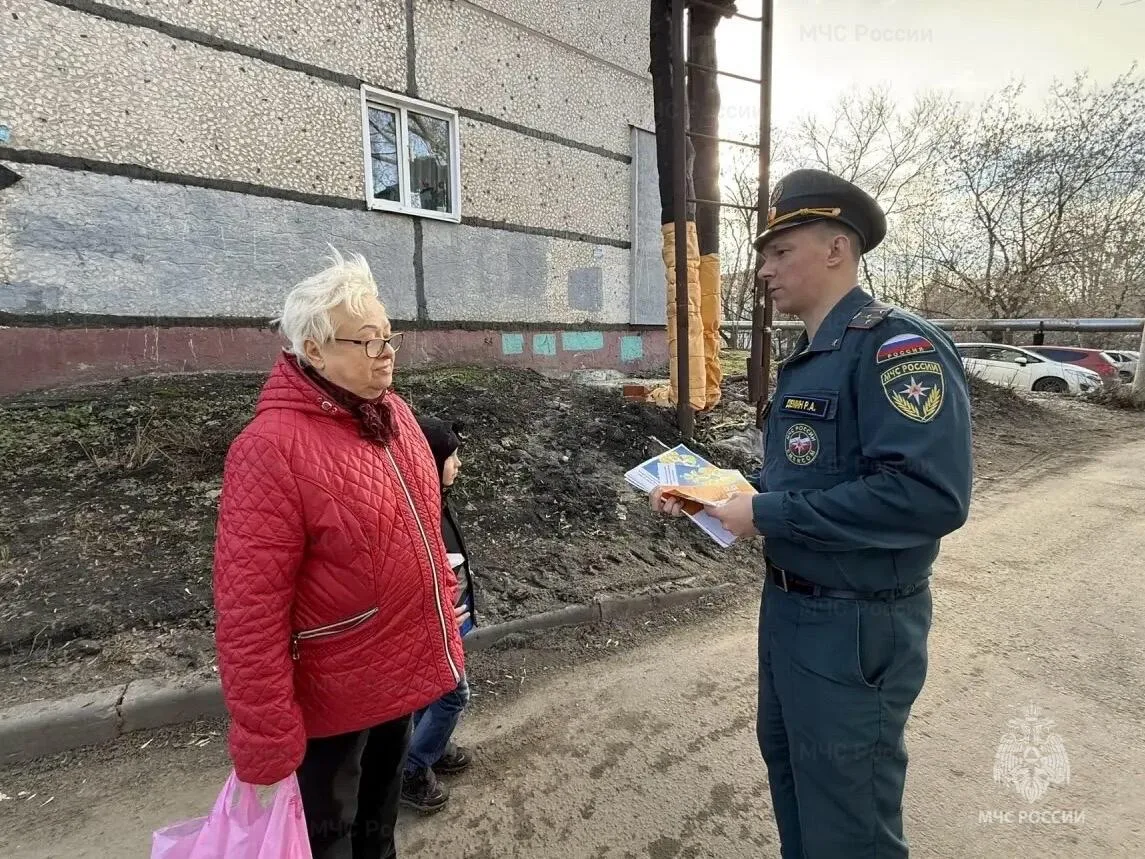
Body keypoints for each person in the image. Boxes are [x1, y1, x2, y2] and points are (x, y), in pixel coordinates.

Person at [652, 169, 973, 858]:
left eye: (780, 251)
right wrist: (712, 494)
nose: (763, 269)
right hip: (792, 610)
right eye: (763, 255)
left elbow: (927, 496)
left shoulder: (895, 347)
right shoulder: (812, 356)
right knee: (795, 778)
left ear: (835, 249)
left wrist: (766, 511)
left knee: (847, 820)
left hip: (855, 621)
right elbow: (806, 477)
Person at [212, 249, 465, 859]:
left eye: (389, 337)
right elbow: (248, 608)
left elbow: (419, 529)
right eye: (368, 340)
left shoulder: (393, 415)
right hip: (333, 698)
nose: (387, 352)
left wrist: (440, 597)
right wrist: (266, 731)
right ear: (315, 351)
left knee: (380, 823)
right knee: (330, 838)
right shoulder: (269, 449)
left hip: (397, 672)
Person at [401, 416, 478, 813]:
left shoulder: (436, 499)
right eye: (452, 457)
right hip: (432, 623)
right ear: (430, 461)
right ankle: (412, 769)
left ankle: (430, 744)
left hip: (450, 617)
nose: (459, 464)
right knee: (453, 696)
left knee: (431, 693)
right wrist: (439, 614)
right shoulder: (417, 513)